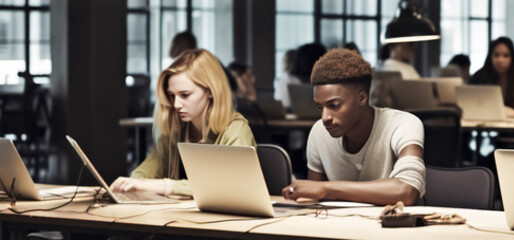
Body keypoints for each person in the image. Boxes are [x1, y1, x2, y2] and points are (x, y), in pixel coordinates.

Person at [282, 48, 425, 205]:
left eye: (334, 105)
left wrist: (326, 189)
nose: (325, 118)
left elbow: (407, 191)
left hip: (393, 227)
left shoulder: (403, 124)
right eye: (319, 107)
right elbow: (312, 202)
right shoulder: (318, 132)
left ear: (362, 98)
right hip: (341, 227)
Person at [111, 49, 256, 196]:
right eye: (172, 95)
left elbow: (229, 185)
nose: (176, 104)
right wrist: (129, 185)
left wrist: (164, 186)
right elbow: (144, 172)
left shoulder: (236, 130)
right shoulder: (176, 130)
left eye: (185, 95)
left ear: (211, 91)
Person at [469, 37, 514, 118]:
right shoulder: (480, 76)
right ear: (490, 57)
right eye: (496, 55)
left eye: (506, 55)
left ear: (512, 58)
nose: (500, 60)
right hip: (483, 122)